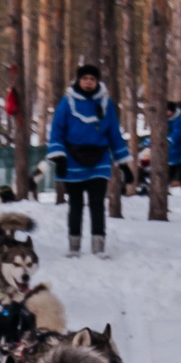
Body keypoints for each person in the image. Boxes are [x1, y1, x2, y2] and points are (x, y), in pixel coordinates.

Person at [45, 63, 130, 255]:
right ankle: (74, 246)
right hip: (73, 161)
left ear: (97, 81)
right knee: (75, 205)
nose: (89, 82)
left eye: (92, 79)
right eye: (85, 78)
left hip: (99, 160)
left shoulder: (105, 103)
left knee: (97, 203)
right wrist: (59, 157)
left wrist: (124, 164)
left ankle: (98, 246)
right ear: (78, 80)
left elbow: (114, 133)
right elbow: (57, 130)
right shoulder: (67, 103)